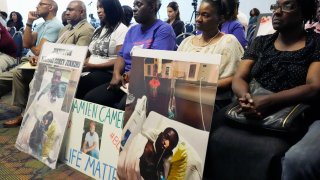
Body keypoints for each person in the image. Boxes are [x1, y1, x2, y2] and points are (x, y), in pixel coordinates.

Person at [208, 0, 320, 178]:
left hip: (291, 110)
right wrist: (246, 98)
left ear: (304, 13)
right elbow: (239, 77)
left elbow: (314, 87)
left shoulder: (315, 43)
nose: (277, 12)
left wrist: (268, 101)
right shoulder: (261, 42)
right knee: (210, 128)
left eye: (288, 6)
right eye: (276, 6)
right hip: (251, 102)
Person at [83, 0, 176, 109]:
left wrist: (125, 77)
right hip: (124, 80)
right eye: (134, 5)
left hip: (147, 83)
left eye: (139, 4)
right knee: (91, 99)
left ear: (151, 7)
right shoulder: (133, 30)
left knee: (124, 107)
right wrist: (116, 74)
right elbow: (121, 55)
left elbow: (154, 63)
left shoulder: (163, 30)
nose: (134, 8)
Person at [178, 0, 243, 111]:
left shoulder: (228, 42)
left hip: (213, 102)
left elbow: (237, 76)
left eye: (205, 15)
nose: (198, 19)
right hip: (183, 96)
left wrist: (204, 86)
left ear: (221, 18)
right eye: (198, 14)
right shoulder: (187, 42)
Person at [75, 0, 128, 99]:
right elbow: (90, 54)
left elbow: (120, 58)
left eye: (102, 7)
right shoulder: (98, 30)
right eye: (97, 8)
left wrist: (93, 65)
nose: (98, 11)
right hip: (91, 69)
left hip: (107, 72)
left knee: (80, 85)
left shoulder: (121, 29)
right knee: (70, 81)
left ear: (112, 8)